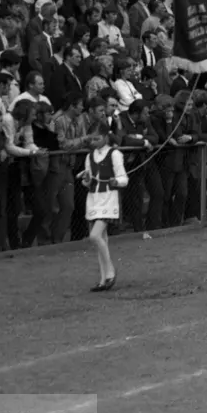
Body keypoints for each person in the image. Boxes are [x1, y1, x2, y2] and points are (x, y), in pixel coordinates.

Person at [81, 119, 126, 292]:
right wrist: (86, 180)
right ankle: (103, 279)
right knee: (101, 240)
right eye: (91, 140)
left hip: (109, 197)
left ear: (106, 137)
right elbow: (88, 180)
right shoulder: (89, 156)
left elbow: (123, 178)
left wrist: (117, 180)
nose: (93, 143)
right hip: (93, 199)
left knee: (95, 236)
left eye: (97, 139)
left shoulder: (114, 154)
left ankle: (110, 272)